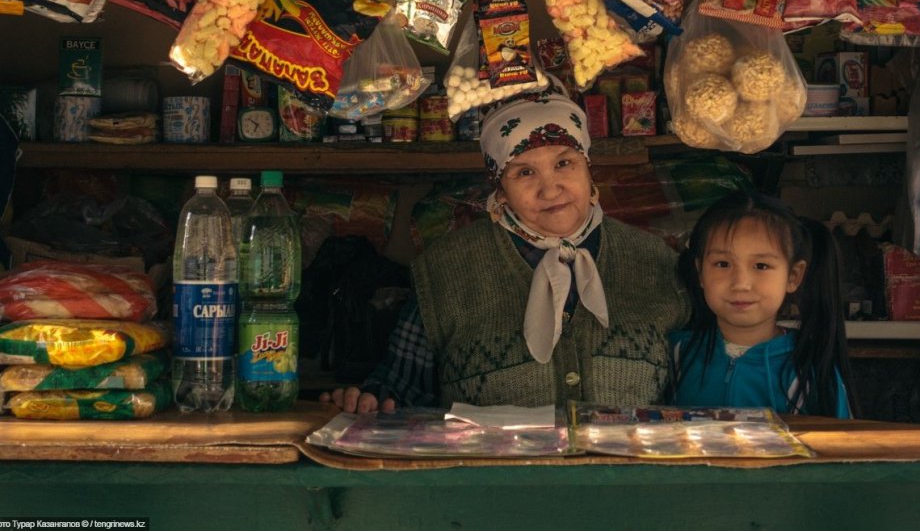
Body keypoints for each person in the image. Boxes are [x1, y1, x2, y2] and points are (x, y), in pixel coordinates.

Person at [325, 79, 690, 413]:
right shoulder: (447, 271)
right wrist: (368, 401)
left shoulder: (657, 262)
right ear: (500, 188)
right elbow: (401, 388)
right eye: (525, 172)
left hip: (633, 483)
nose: (550, 189)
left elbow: (700, 385)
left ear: (588, 167)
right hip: (495, 483)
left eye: (565, 163)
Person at [668, 190, 857, 418]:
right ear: (700, 272)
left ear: (793, 277)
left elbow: (839, 448)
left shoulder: (808, 368)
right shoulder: (676, 355)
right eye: (722, 263)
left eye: (761, 266)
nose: (741, 284)